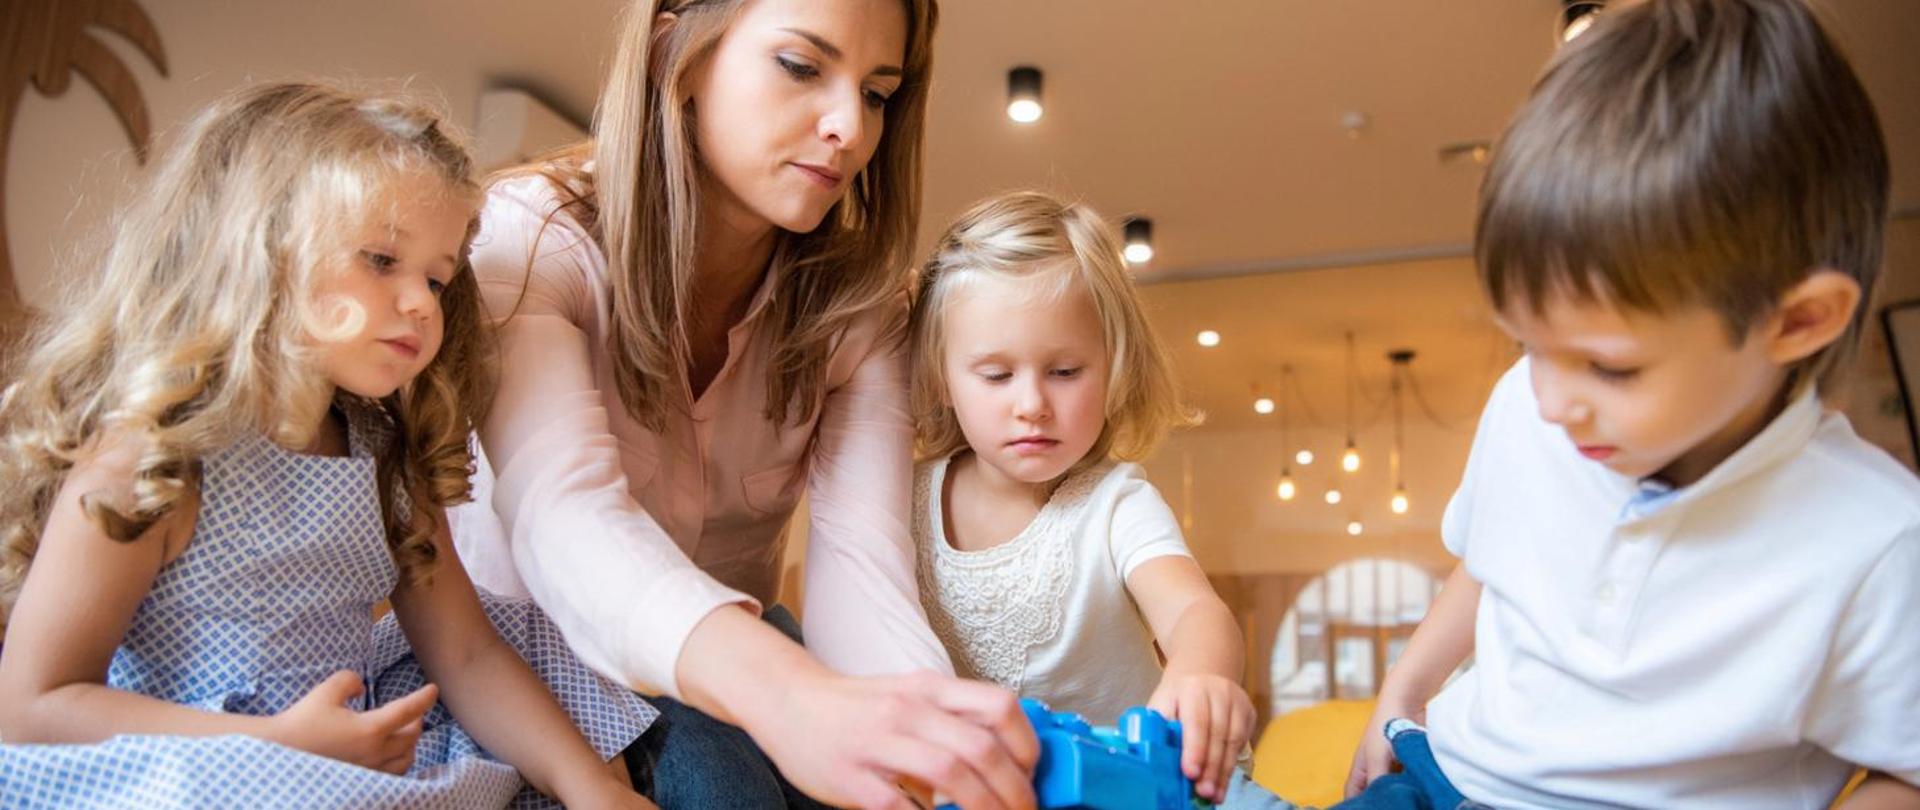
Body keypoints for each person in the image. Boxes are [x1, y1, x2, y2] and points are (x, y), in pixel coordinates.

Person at [0, 81, 657, 808]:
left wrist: (590, 787)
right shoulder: (153, 454)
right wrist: (277, 747)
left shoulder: (383, 458)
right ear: (262, 248)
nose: (420, 302)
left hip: (342, 758)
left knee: (541, 649)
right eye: (381, 260)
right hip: (191, 770)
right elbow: (31, 707)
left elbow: (467, 655)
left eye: (437, 280)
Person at [449, 1, 1036, 807]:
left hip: (745, 679)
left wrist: (930, 761)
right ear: (677, 55)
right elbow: (564, 517)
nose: (850, 129)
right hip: (525, 688)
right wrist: (792, 697)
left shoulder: (861, 312)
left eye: (876, 93)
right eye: (801, 66)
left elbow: (863, 566)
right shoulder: (530, 243)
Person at [1341, 1, 1920, 807]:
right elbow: (1487, 564)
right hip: (1447, 777)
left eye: (1609, 368)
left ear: (1796, 321)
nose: (1549, 401)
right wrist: (1401, 690)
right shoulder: (1524, 409)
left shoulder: (1879, 541)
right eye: (1527, 346)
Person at [908, 191, 1283, 807]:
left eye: (1064, 371)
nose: (1031, 403)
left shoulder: (1114, 501)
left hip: (1137, 789)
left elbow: (1194, 611)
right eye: (996, 375)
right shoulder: (904, 501)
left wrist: (1201, 677)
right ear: (940, 375)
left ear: (1113, 369)